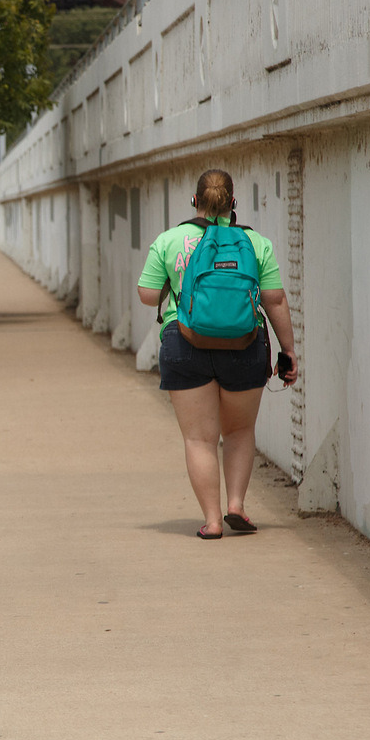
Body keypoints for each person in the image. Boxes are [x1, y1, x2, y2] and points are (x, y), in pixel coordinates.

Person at [136, 169, 298, 539]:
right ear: (232, 203)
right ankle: (236, 505)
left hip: (184, 342)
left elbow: (147, 295)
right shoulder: (255, 243)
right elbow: (274, 299)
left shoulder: (171, 239)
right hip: (244, 343)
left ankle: (211, 521)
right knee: (239, 431)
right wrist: (287, 350)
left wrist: (174, 281)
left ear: (195, 201)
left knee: (199, 438)